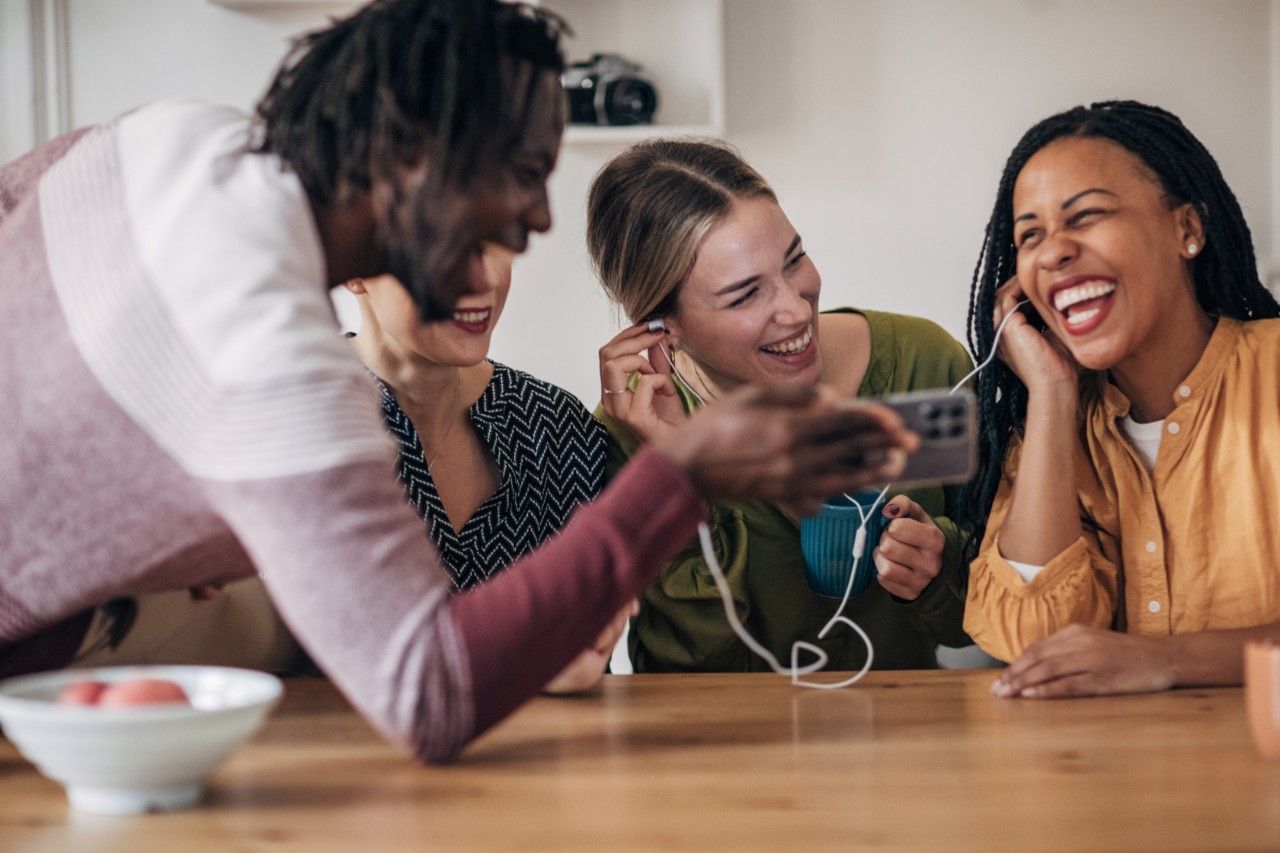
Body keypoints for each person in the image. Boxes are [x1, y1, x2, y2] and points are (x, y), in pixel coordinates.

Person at [0, 0, 917, 763]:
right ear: (412, 158)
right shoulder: (283, 366)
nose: (533, 223)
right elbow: (428, 698)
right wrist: (681, 479)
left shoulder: (175, 136)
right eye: (520, 177)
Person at [589, 139, 974, 673]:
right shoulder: (634, 430)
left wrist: (938, 570)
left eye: (794, 261)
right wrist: (680, 474)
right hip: (725, 752)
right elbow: (684, 667)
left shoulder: (926, 367)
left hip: (904, 745)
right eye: (745, 295)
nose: (795, 311)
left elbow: (999, 618)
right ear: (663, 327)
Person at [960, 100, 1280, 698]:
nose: (1052, 251)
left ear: (1188, 230)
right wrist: (1051, 395)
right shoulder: (1055, 442)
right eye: (1030, 235)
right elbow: (1032, 642)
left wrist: (1167, 660)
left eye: (1086, 216)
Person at [344, 247, 622, 692]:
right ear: (352, 265)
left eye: (497, 242)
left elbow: (589, 683)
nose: (486, 279)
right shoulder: (288, 427)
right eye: (444, 242)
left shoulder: (558, 428)